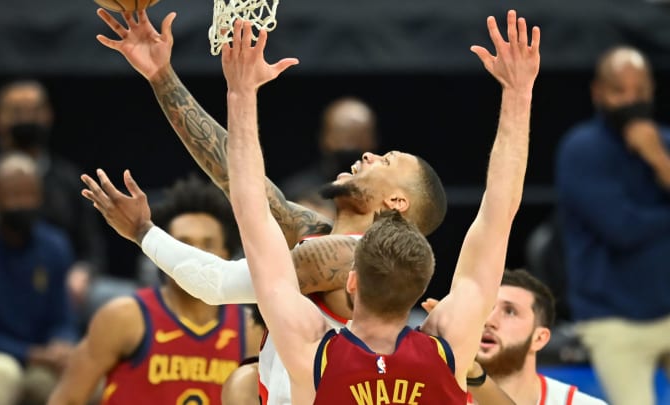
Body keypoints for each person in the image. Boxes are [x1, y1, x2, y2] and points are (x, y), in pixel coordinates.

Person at [85, 7, 537, 404]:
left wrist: (145, 232)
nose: (367, 155)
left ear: (396, 202)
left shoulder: (343, 265)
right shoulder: (332, 242)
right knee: (242, 381)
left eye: (385, 160)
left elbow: (221, 275)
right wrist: (162, 77)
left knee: (242, 381)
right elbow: (237, 178)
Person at [219, 11, 538, 403]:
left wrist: (241, 93)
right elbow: (500, 211)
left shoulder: (314, 355)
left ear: (351, 282)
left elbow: (250, 209)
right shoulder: (448, 348)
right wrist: (519, 94)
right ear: (422, 288)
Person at [47, 173, 264, 405]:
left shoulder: (250, 329)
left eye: (208, 244)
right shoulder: (123, 317)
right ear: (163, 252)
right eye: (184, 244)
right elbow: (66, 399)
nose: (196, 255)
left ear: (227, 254)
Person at [555, 45, 670, 405]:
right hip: (612, 319)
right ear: (598, 93)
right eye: (620, 90)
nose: (632, 100)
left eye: (640, 90)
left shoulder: (664, 143)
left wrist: (658, 160)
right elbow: (622, 228)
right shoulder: (580, 149)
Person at [0, 79, 112, 320]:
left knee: (116, 302)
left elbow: (91, 246)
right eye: (16, 111)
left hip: (60, 283)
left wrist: (83, 272)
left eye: (34, 110)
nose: (27, 118)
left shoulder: (68, 181)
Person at [0, 152, 78, 405]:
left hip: (39, 355)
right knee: (3, 374)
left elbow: (63, 317)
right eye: (14, 195)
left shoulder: (55, 246)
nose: (23, 203)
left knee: (81, 374)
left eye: (29, 195)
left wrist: (62, 343)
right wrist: (30, 353)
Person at [459, 269, 607, 404]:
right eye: (487, 308)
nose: (489, 320)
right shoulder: (443, 398)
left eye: (510, 311)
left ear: (539, 338)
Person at [278, 96, 379, 201]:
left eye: (359, 136)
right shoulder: (297, 194)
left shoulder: (391, 194)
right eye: (342, 134)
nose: (350, 146)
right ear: (324, 138)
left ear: (374, 140)